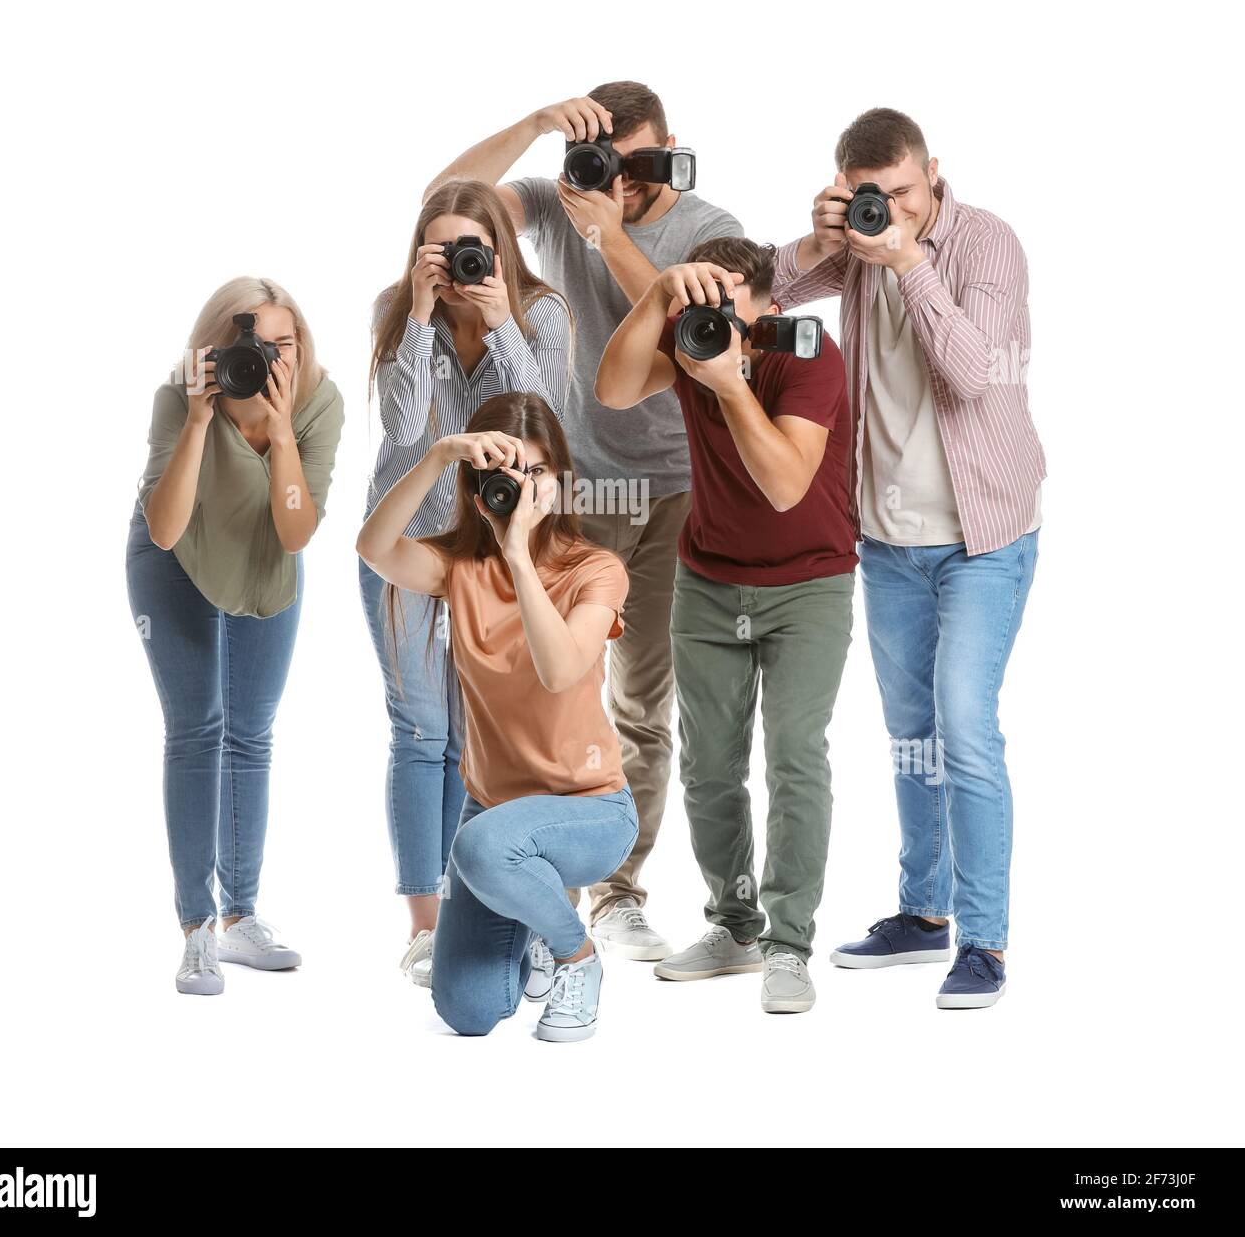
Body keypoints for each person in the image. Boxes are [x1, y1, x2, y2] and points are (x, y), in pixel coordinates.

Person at [426, 83, 742, 959]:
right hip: (579, 482)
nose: (620, 180)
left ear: (671, 149)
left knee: (643, 699)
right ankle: (539, 896)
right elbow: (442, 206)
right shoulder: (565, 191)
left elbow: (686, 327)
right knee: (553, 690)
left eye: (639, 164)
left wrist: (606, 233)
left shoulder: (703, 226)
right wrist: (534, 129)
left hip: (678, 482)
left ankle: (620, 891)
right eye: (608, 160)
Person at [772, 107, 1044, 1009]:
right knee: (913, 739)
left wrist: (908, 263)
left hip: (984, 536)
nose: (886, 211)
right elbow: (763, 298)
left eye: (898, 193)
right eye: (865, 199)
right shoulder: (853, 241)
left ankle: (987, 942)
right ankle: (923, 916)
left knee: (964, 725)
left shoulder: (987, 246)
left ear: (933, 174)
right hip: (888, 545)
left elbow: (973, 373)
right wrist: (818, 246)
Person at [596, 238, 857, 1013]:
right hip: (708, 579)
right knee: (709, 767)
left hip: (808, 583)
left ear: (770, 306)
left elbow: (783, 486)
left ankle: (788, 945)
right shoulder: (688, 343)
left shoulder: (809, 356)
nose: (709, 318)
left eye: (727, 302)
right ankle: (737, 926)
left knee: (795, 757)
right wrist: (656, 298)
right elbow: (610, 391)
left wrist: (733, 387)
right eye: (697, 302)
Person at [357, 392, 636, 1041]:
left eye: (536, 472)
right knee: (467, 1009)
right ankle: (533, 922)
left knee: (478, 845)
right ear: (482, 486)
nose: (524, 488)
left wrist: (519, 556)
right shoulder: (460, 566)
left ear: (560, 480)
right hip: (495, 812)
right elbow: (374, 548)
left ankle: (576, 954)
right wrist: (436, 455)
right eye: (508, 475)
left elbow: (561, 669)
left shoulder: (596, 569)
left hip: (588, 809)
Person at [360, 180, 570, 989]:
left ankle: (484, 906)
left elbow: (538, 425)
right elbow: (408, 430)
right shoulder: (398, 311)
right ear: (422, 255)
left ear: (502, 250)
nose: (459, 266)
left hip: (498, 548)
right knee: (421, 732)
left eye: (472, 250)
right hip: (407, 539)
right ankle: (425, 924)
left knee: (484, 740)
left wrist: (499, 320)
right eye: (443, 253)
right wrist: (418, 317)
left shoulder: (542, 313)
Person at [127, 277, 343, 995]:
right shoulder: (180, 397)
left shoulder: (317, 403)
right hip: (175, 558)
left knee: (251, 731)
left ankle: (240, 917)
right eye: (249, 344)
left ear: (299, 345)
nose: (267, 359)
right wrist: (195, 423)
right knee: (198, 728)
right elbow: (164, 528)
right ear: (215, 346)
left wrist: (282, 433)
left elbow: (295, 530)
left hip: (262, 554)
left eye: (283, 343)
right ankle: (196, 929)